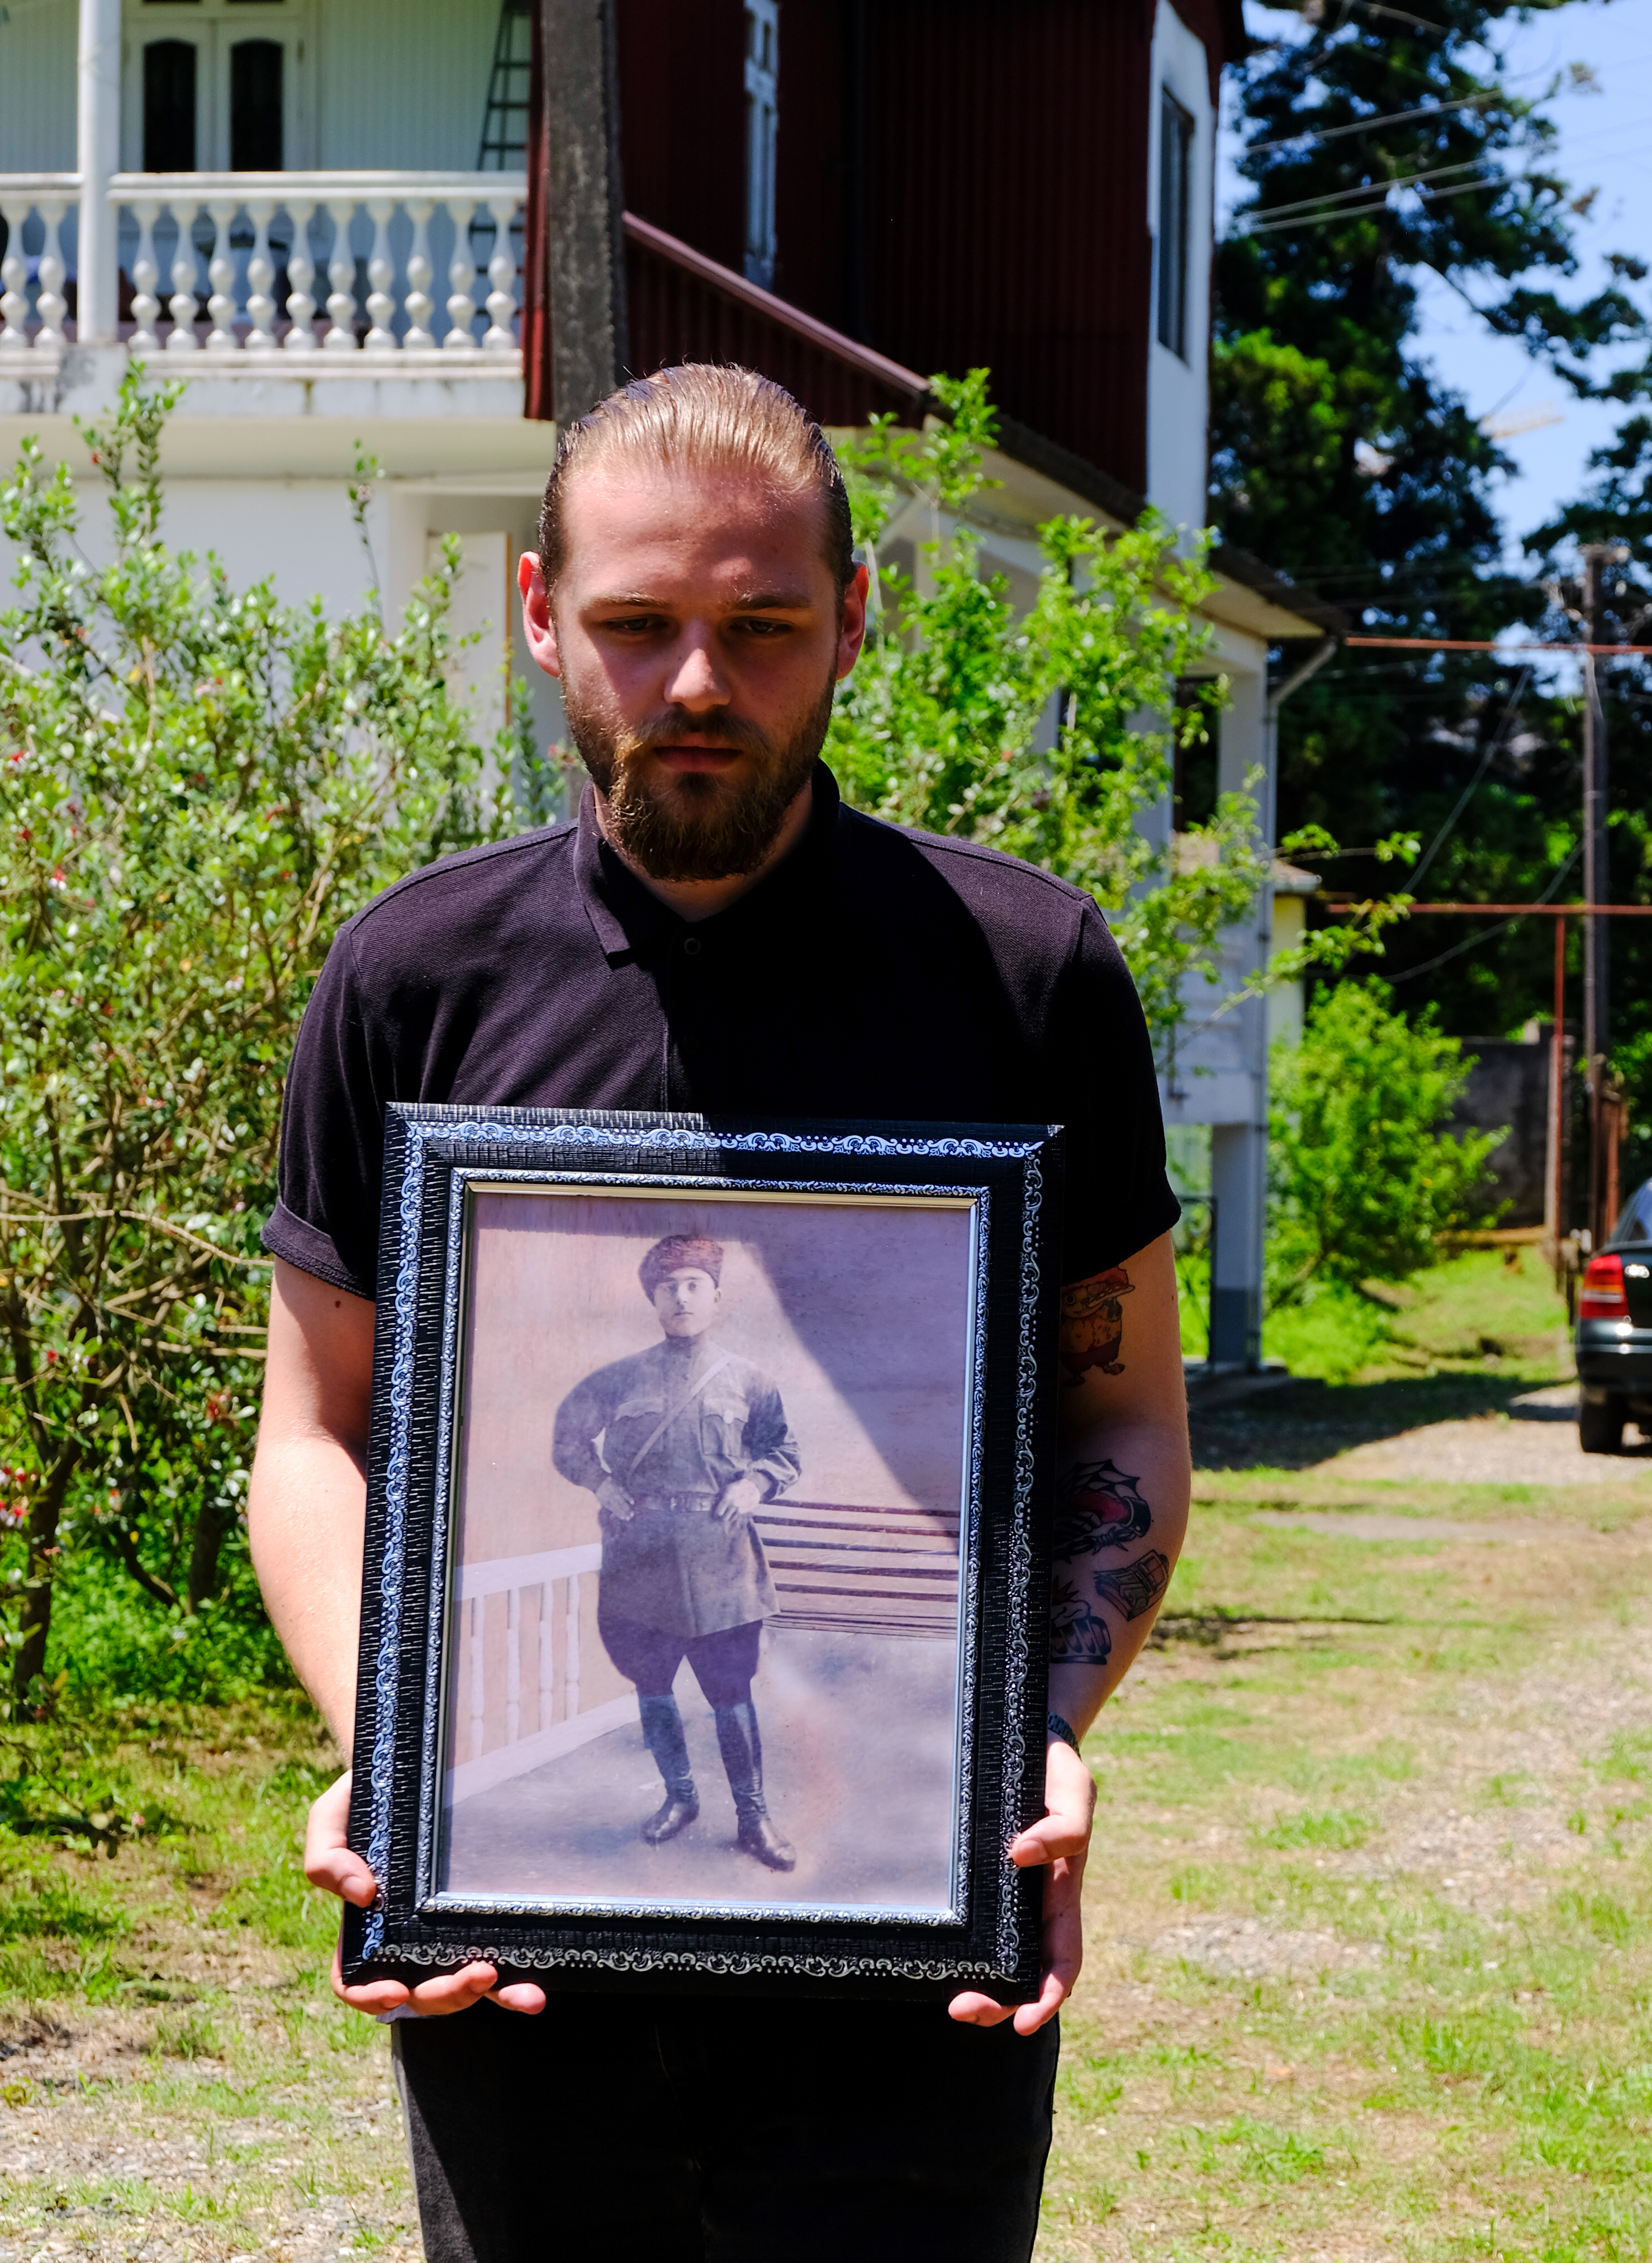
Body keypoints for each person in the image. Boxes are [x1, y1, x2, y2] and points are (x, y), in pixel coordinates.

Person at [246, 361, 1194, 2262]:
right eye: (636, 624)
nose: (696, 682)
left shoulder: (1026, 973)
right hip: (518, 1931)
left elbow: (1123, 1421)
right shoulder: (415, 976)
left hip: (915, 1928)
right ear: (538, 615)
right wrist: (401, 1747)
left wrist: (1041, 1722)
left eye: (760, 625)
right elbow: (315, 1431)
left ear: (851, 620)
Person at [550, 1232, 804, 1868]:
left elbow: (785, 1452)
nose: (681, 1295)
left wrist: (754, 1482)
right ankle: (680, 1797)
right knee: (653, 1686)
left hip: (721, 1560)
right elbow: (568, 1438)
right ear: (654, 1300)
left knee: (730, 1691)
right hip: (642, 1562)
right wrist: (602, 1482)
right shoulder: (622, 1377)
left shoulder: (750, 1380)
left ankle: (754, 1819)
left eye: (694, 1284)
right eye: (669, 1287)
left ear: (716, 1296)